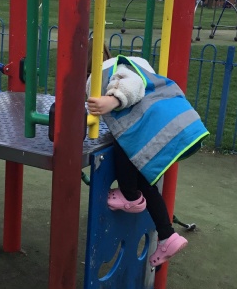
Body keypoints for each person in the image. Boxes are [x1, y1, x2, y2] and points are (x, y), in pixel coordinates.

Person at [86, 40, 209, 267]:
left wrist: (111, 100)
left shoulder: (110, 72)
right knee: (146, 181)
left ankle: (130, 196)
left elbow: (132, 83)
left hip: (150, 129)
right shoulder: (135, 64)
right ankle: (167, 236)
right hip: (171, 123)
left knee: (122, 145)